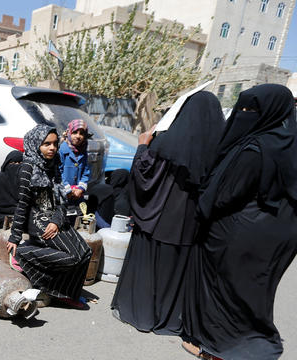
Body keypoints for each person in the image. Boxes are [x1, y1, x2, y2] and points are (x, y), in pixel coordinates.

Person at [182, 84, 297, 359]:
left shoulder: (255, 148)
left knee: (225, 292)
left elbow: (224, 197)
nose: (243, 115)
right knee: (255, 292)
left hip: (238, 235)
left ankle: (219, 348)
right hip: (277, 236)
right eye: (242, 108)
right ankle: (254, 340)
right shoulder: (290, 143)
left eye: (251, 109)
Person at [110, 91, 225, 335]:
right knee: (175, 273)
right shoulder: (221, 150)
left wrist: (142, 146)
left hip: (157, 219)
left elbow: (143, 176)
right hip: (191, 227)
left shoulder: (168, 142)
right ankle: (169, 318)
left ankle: (141, 314)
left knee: (148, 267)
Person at [6, 124, 91, 308]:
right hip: (38, 221)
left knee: (85, 252)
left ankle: (67, 293)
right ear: (36, 144)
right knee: (73, 257)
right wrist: (15, 237)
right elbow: (22, 204)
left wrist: (57, 220)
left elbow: (62, 196)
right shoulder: (27, 168)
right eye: (46, 144)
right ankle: (23, 253)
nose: (52, 148)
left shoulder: (54, 161)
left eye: (54, 144)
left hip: (54, 217)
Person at [59, 119, 91, 205]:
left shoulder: (83, 151)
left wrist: (81, 188)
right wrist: (68, 190)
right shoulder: (62, 150)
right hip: (62, 194)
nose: (78, 136)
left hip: (77, 194)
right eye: (75, 132)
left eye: (81, 133)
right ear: (69, 133)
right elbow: (59, 171)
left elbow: (86, 172)